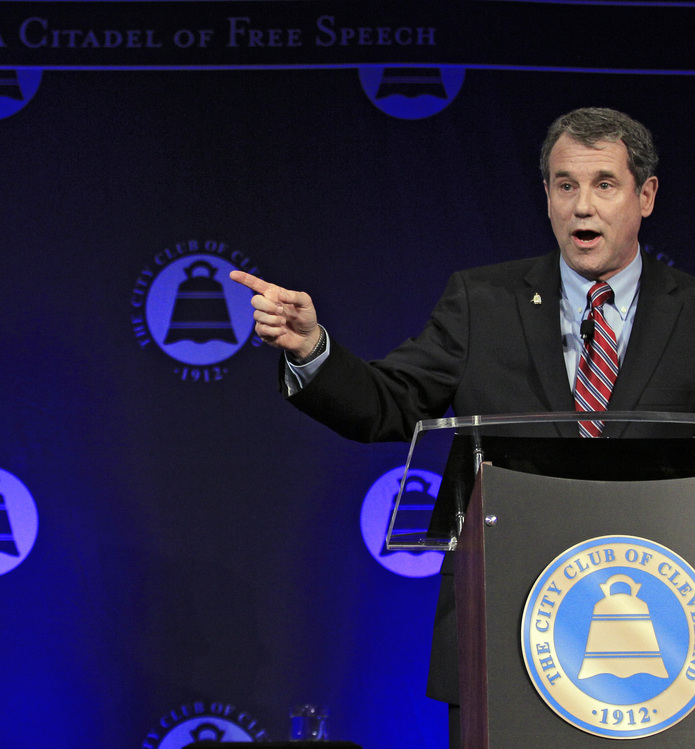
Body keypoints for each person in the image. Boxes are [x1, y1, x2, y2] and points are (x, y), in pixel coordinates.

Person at [230, 107, 695, 745]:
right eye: (565, 185)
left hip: (668, 635)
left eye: (604, 184)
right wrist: (312, 349)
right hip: (503, 624)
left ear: (645, 196)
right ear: (548, 196)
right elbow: (389, 402)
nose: (582, 206)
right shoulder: (483, 302)